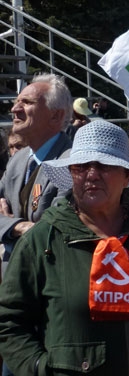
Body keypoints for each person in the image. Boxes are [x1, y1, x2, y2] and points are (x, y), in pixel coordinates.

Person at [0, 120, 129, 375]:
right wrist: (40, 368)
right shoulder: (42, 240)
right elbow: (10, 320)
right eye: (81, 166)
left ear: (126, 176)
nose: (91, 174)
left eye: (104, 165)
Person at [0, 74, 73, 272]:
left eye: (27, 102)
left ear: (56, 116)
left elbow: (52, 232)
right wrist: (18, 226)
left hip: (49, 277)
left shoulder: (72, 164)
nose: (15, 109)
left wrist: (7, 225)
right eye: (16, 102)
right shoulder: (18, 159)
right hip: (11, 276)